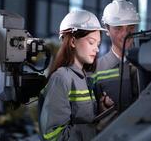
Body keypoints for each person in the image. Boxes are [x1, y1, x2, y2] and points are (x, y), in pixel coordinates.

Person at [39, 10, 113, 141]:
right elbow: (52, 135)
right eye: (91, 42)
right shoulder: (61, 78)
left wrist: (103, 108)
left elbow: (84, 117)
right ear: (73, 42)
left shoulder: (86, 77)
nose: (96, 49)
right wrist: (94, 130)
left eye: (98, 44)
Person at [92, 0, 140, 112]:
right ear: (107, 30)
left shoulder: (147, 65)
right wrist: (101, 107)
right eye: (118, 28)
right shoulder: (96, 70)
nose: (125, 34)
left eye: (131, 27)